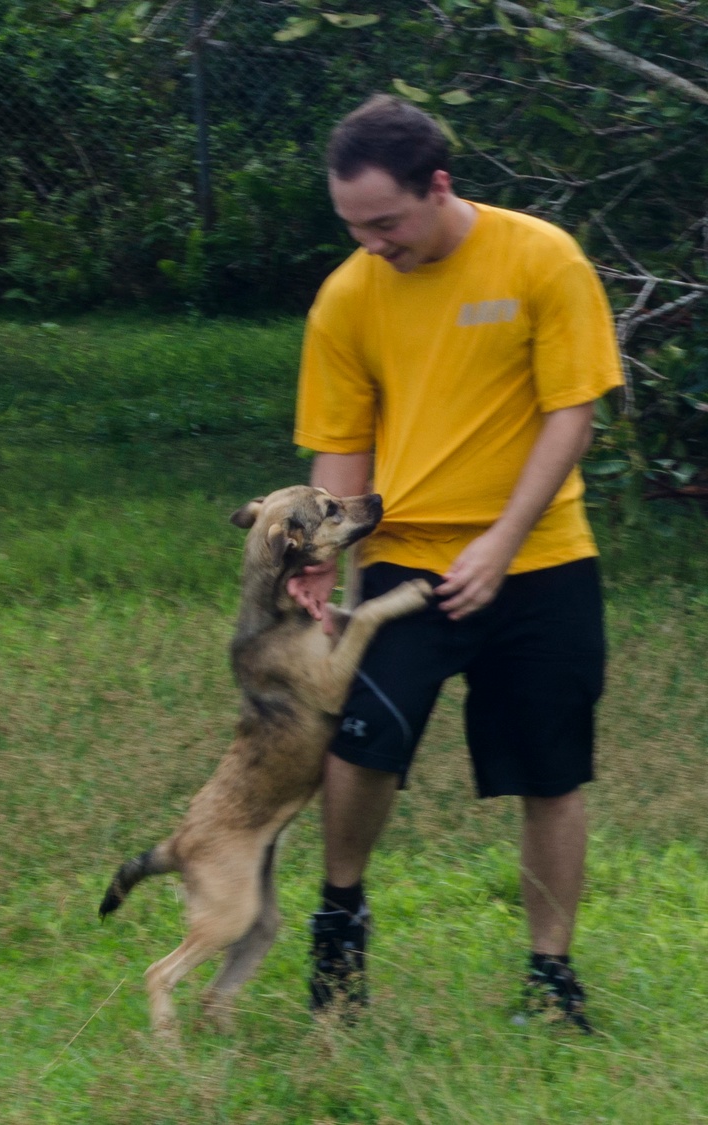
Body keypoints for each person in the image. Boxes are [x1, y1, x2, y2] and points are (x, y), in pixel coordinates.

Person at [288, 94, 623, 1031]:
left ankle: (551, 980)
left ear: (438, 185)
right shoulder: (350, 293)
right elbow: (343, 445)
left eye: (385, 223)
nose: (372, 244)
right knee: (363, 742)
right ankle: (341, 918)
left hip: (543, 555)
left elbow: (571, 414)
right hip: (406, 561)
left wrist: (504, 542)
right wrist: (318, 553)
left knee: (551, 770)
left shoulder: (540, 258)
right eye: (352, 226)